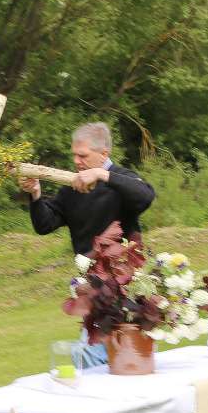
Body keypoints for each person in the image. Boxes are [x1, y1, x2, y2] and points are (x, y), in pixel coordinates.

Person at [19, 121, 156, 366]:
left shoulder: (122, 180)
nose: (76, 161)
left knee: (101, 354)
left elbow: (146, 195)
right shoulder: (74, 188)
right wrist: (35, 194)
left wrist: (103, 175)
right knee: (109, 355)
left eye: (82, 155)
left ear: (104, 154)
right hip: (90, 285)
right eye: (74, 155)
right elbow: (44, 224)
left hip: (126, 283)